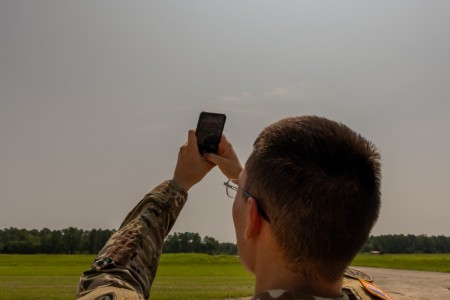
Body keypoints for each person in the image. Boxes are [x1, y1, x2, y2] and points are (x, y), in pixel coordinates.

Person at [76, 115, 392, 300]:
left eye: (236, 193)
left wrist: (178, 185)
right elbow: (324, 244)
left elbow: (113, 276)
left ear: (252, 218)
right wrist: (245, 180)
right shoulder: (368, 294)